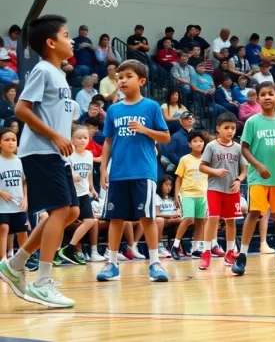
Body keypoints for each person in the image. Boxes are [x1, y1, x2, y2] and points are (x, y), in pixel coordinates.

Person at [0, 15, 80, 308]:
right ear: (51, 42)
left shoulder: (60, 74)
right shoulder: (43, 70)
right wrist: (55, 136)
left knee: (70, 212)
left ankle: (16, 263)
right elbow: (21, 109)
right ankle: (43, 282)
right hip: (40, 151)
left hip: (56, 153)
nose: (71, 40)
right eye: (67, 35)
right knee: (59, 210)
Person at [95, 60, 170, 284]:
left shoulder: (151, 107)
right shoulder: (114, 110)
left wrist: (145, 130)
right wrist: (103, 169)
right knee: (115, 219)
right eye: (119, 77)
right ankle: (112, 264)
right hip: (118, 172)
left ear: (141, 80)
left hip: (143, 171)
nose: (122, 80)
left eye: (128, 76)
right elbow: (108, 141)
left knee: (147, 218)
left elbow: (165, 137)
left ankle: (155, 263)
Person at [234, 82, 275, 275]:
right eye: (263, 94)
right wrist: (258, 165)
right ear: (258, 98)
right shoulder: (252, 122)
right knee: (254, 213)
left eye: (271, 94)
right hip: (258, 177)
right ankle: (242, 255)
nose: (267, 97)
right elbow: (244, 148)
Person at [195, 112, 246, 270]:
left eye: (232, 128)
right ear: (218, 129)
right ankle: (206, 252)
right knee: (213, 220)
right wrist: (214, 171)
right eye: (226, 128)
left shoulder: (238, 148)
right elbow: (201, 166)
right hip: (215, 189)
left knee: (231, 222)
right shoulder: (211, 146)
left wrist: (238, 180)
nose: (230, 131)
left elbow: (244, 171)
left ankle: (230, 252)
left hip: (232, 190)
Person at [56, 126, 98, 265]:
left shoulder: (89, 155)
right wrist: (71, 176)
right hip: (70, 192)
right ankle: (56, 250)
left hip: (84, 192)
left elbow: (90, 173)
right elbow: (61, 171)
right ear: (72, 140)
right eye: (79, 138)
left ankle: (70, 248)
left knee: (90, 221)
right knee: (62, 222)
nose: (82, 140)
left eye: (85, 138)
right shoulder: (69, 154)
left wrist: (92, 188)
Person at [170, 130, 208, 260]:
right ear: (189, 144)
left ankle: (196, 248)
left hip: (202, 194)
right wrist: (176, 195)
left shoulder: (207, 159)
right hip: (187, 193)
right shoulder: (184, 159)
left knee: (200, 222)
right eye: (195, 141)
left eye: (201, 141)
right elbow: (178, 178)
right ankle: (175, 245)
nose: (198, 144)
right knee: (189, 219)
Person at [0, 128, 28, 265]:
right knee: (3, 228)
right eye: (6, 140)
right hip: (2, 204)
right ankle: (3, 258)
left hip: (18, 203)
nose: (11, 143)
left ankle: (24, 259)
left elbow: (24, 183)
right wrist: (1, 192)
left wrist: (25, 198)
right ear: (0, 143)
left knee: (22, 232)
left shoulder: (20, 161)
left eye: (13, 140)